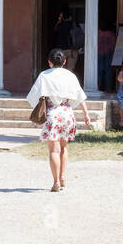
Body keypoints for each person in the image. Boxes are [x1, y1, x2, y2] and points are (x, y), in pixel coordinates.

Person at [27, 48, 92, 192]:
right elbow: (79, 96)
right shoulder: (70, 76)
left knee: (53, 151)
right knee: (64, 147)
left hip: (52, 113)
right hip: (67, 113)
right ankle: (62, 177)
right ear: (64, 62)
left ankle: (56, 182)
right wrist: (86, 114)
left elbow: (33, 97)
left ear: (49, 62)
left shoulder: (44, 75)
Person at [96, 26, 117, 92]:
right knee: (108, 71)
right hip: (108, 53)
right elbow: (113, 45)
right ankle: (108, 88)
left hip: (99, 54)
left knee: (99, 71)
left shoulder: (97, 33)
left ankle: (98, 87)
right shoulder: (111, 34)